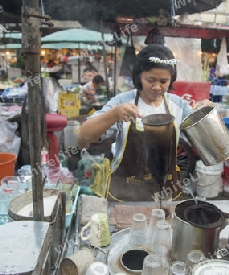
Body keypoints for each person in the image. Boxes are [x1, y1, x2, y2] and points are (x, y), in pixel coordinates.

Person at [78, 44, 213, 201]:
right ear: (139, 77)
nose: (157, 87)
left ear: (171, 80)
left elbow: (207, 144)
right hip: (125, 190)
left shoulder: (179, 105)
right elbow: (84, 137)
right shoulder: (123, 101)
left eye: (164, 81)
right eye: (150, 80)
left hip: (165, 189)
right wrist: (114, 114)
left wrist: (208, 114)